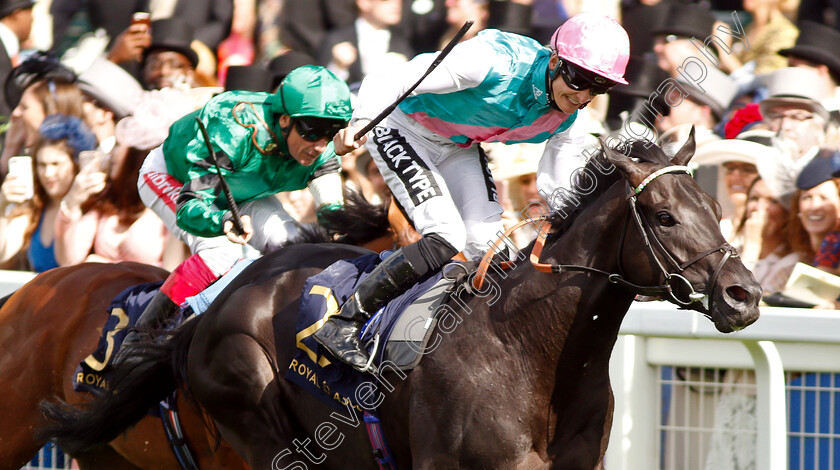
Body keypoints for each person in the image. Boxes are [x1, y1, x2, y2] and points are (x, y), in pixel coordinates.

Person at [314, 12, 630, 371]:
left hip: (457, 145)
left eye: (599, 87)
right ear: (555, 60)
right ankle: (345, 322)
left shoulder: (570, 119)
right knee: (445, 234)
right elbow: (391, 78)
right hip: (400, 126)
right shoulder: (490, 62)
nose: (583, 96)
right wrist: (359, 122)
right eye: (579, 80)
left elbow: (558, 190)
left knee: (494, 250)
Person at [125, 65, 352, 346]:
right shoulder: (234, 130)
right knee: (220, 250)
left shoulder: (323, 149)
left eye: (331, 132)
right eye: (312, 131)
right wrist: (222, 222)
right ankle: (138, 344)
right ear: (284, 120)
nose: (320, 145)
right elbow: (190, 205)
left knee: (296, 246)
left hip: (243, 193)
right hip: (176, 179)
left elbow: (335, 218)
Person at [0, 114, 99, 272]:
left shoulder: (92, 207)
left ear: (75, 165)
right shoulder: (36, 207)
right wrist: (3, 209)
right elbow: (3, 252)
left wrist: (72, 203)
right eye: (42, 165)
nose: (48, 173)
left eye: (56, 164)